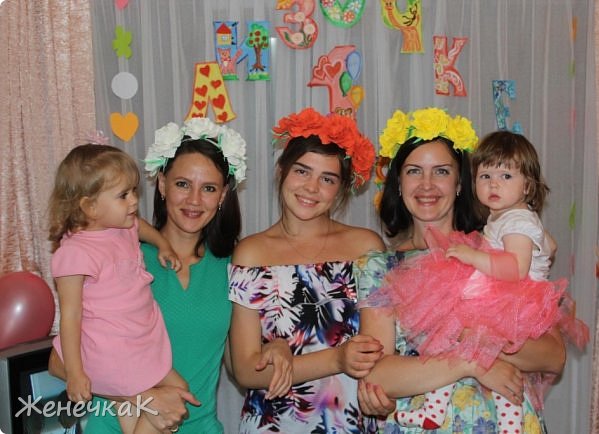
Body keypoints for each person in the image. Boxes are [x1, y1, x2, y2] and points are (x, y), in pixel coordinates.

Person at [356, 108, 568, 433]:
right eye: (414, 171)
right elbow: (378, 374)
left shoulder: (497, 251)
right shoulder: (380, 267)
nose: (427, 184)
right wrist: (472, 363)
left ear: (459, 183)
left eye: (441, 171)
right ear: (398, 182)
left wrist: (476, 338)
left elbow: (553, 356)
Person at [50, 117, 247, 433]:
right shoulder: (121, 259)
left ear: (223, 195)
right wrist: (144, 398)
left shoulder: (234, 266)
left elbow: (242, 367)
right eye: (183, 184)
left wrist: (278, 349)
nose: (194, 200)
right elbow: (58, 364)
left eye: (208, 188)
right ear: (163, 184)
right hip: (115, 426)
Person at [227, 107, 386, 433]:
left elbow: (377, 352)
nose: (311, 187)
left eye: (327, 179)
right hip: (272, 423)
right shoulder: (251, 253)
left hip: (348, 422)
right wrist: (336, 359)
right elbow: (245, 370)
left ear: (341, 189)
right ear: (281, 171)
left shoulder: (365, 247)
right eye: (302, 171)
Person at [48, 143, 187, 433]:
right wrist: (75, 372)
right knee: (178, 391)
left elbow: (142, 227)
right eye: (123, 195)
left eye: (134, 191)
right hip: (112, 351)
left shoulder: (125, 226)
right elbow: (70, 316)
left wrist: (163, 245)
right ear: (89, 206)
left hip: (138, 340)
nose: (134, 200)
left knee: (141, 416)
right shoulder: (76, 253)